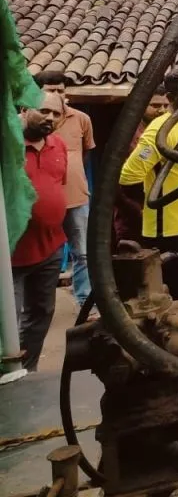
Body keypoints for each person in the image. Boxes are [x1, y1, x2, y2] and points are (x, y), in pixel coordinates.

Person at [120, 68, 178, 301]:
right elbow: (129, 175)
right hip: (169, 232)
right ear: (171, 98)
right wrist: (147, 208)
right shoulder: (160, 129)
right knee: (175, 302)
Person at [12, 92, 68, 371]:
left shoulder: (58, 145)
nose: (50, 118)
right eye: (44, 110)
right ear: (24, 108)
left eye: (56, 114)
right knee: (6, 322)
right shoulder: (8, 146)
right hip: (11, 253)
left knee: (41, 313)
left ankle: (27, 370)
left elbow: (57, 187)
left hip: (50, 247)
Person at [35, 71, 95, 306]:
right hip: (42, 203)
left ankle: (84, 301)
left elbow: (86, 153)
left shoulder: (81, 119)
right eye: (51, 90)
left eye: (61, 90)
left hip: (76, 198)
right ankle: (41, 305)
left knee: (83, 253)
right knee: (45, 255)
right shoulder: (30, 121)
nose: (57, 95)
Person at [113, 86, 169, 245]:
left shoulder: (164, 131)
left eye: (165, 106)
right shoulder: (126, 133)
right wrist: (135, 209)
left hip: (158, 210)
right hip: (132, 210)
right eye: (156, 106)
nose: (162, 110)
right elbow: (117, 179)